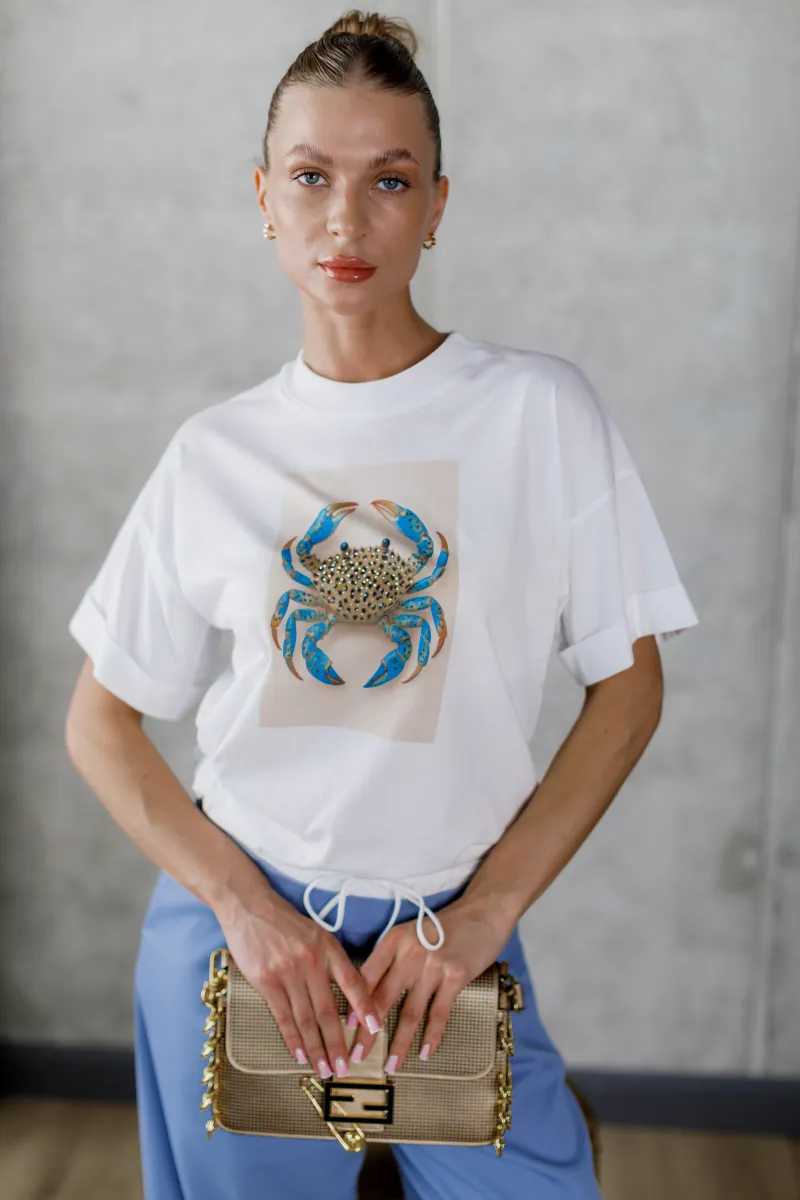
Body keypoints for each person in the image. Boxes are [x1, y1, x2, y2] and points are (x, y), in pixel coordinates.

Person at [64, 9, 699, 1199]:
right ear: (262, 196)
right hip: (247, 946)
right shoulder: (212, 455)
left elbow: (629, 689)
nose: (345, 221)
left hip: (447, 941)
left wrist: (484, 914)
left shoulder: (537, 414)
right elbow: (98, 723)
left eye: (388, 180)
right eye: (310, 177)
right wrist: (244, 910)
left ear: (437, 205)